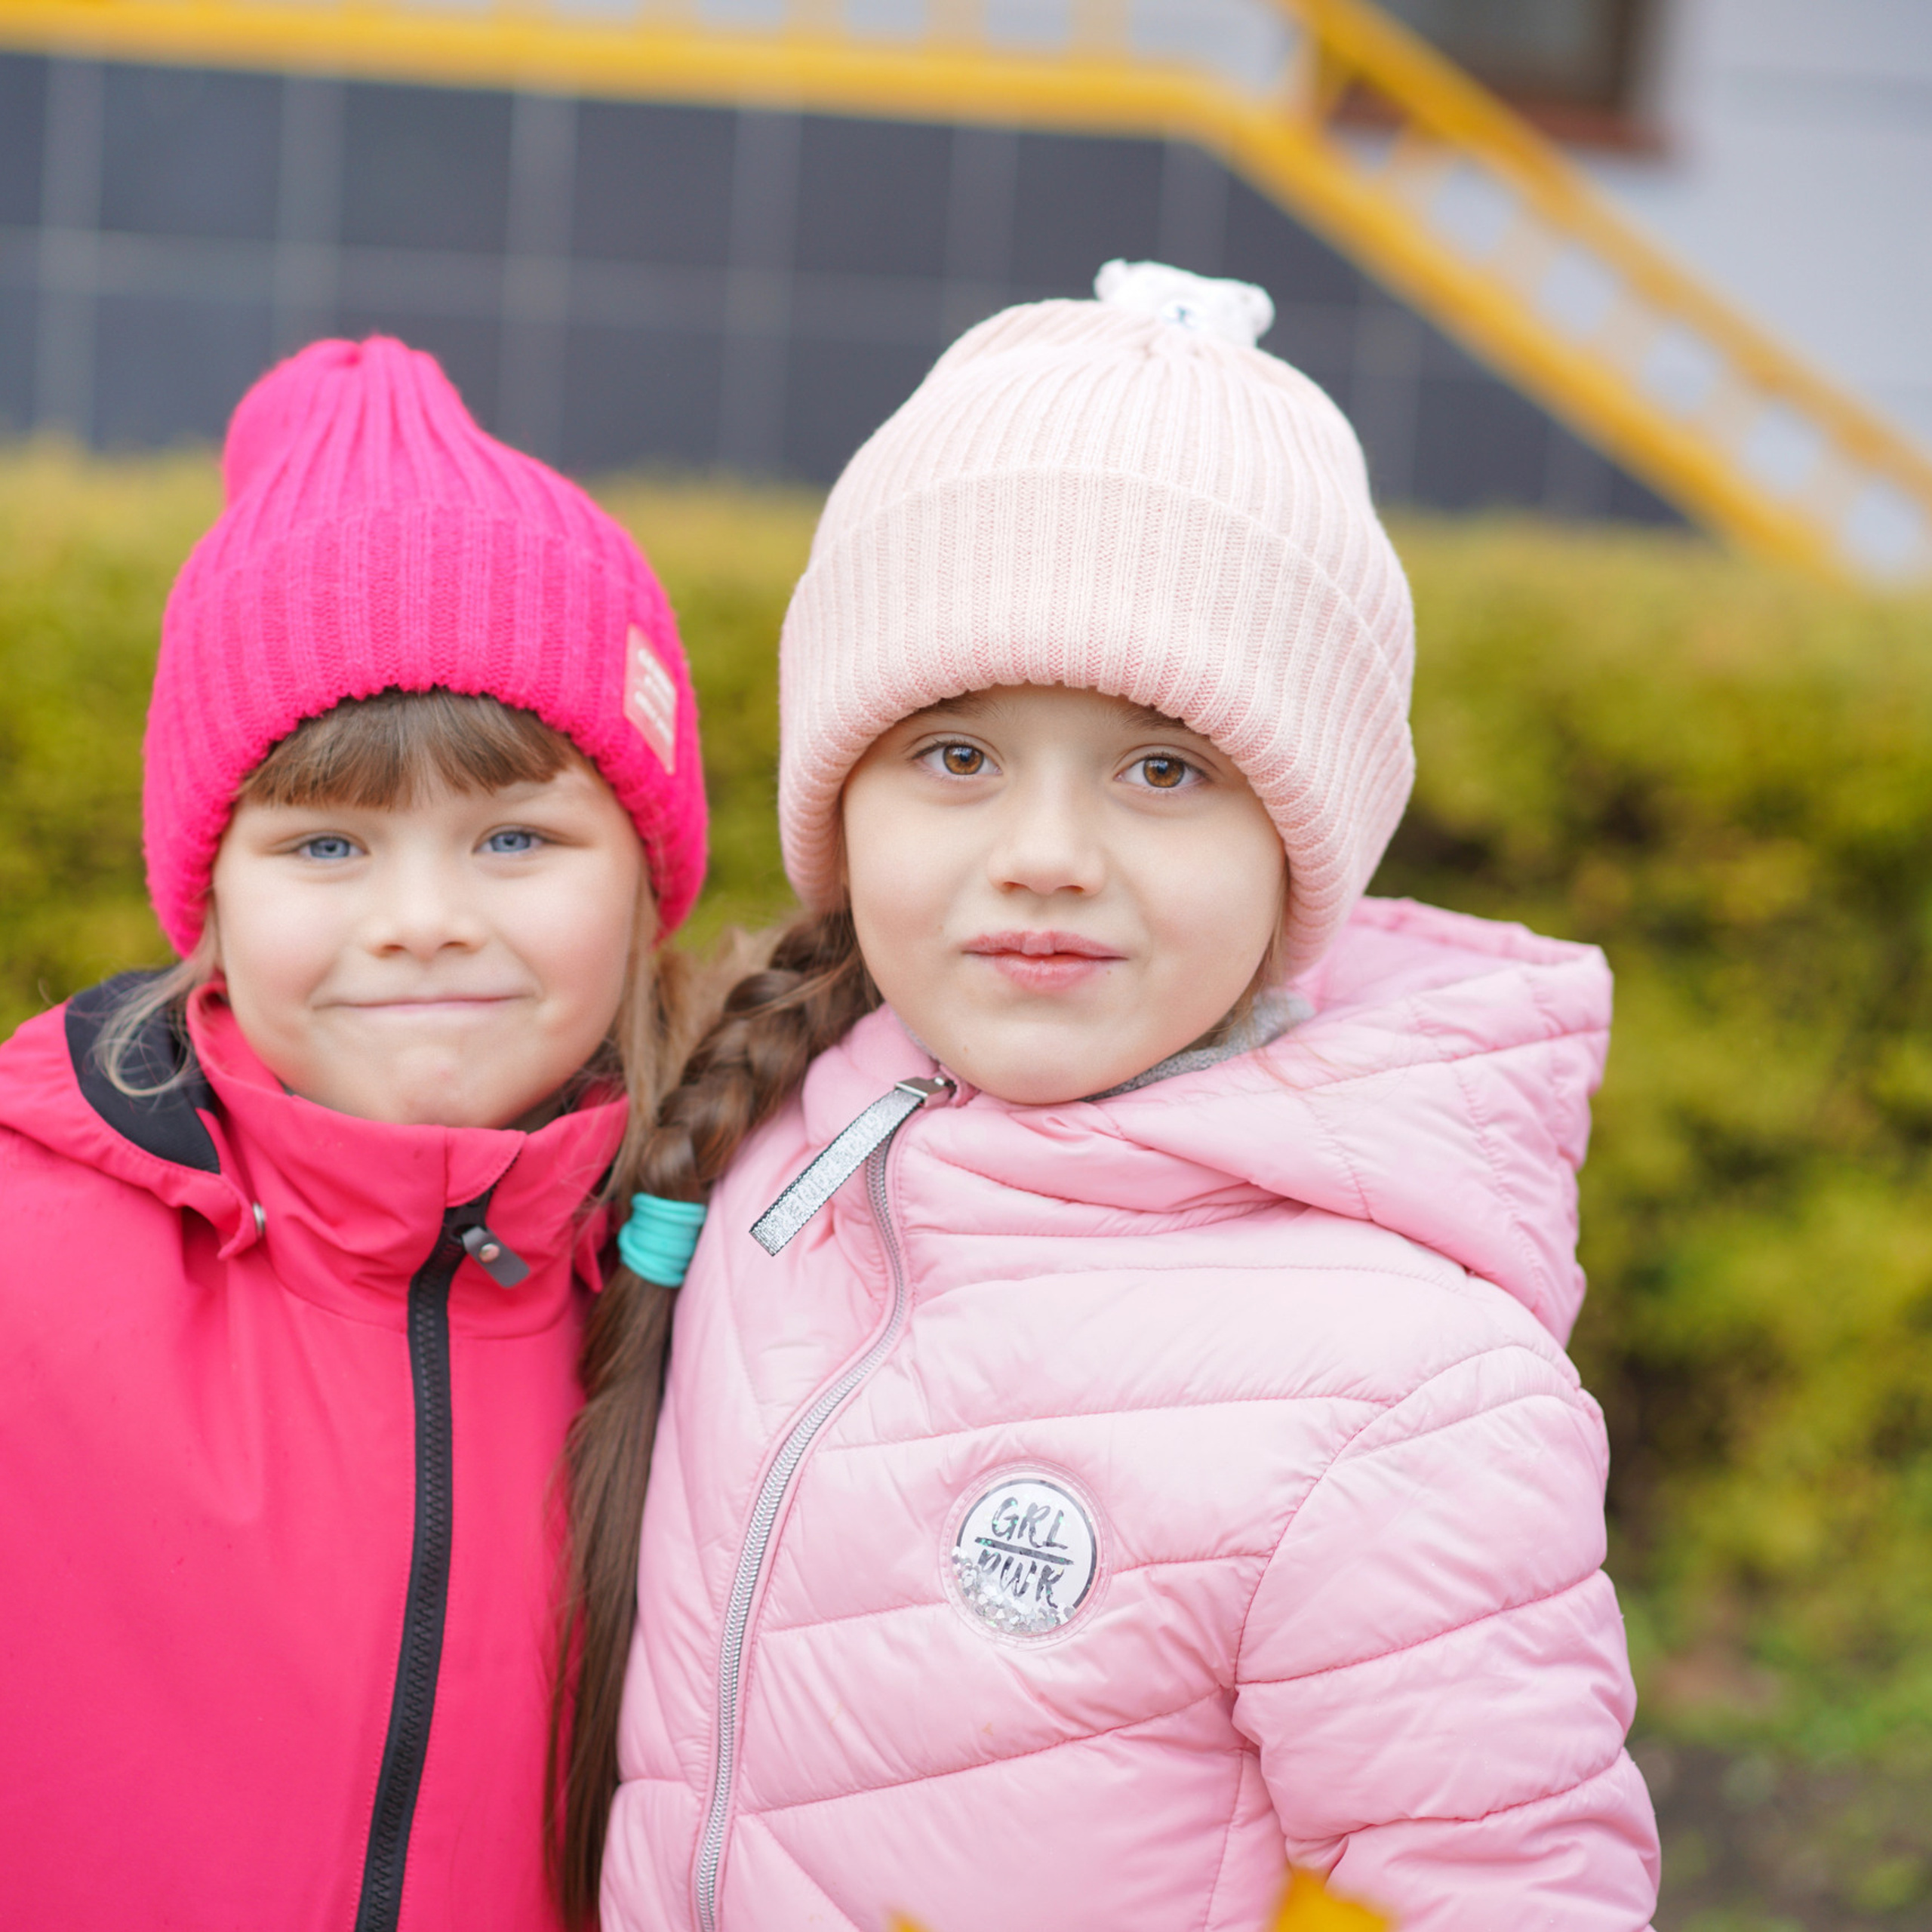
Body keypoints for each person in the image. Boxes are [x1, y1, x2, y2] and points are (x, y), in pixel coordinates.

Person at [558, 263, 1662, 1932]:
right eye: (955, 753)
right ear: (837, 797)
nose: (1047, 855)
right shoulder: (776, 1143)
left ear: (1300, 852)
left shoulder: (1401, 1390)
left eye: (1163, 768)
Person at [0, 337, 709, 1932]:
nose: (419, 920)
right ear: (213, 892)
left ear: (645, 869)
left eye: (516, 833)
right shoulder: (24, 1258)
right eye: (324, 840)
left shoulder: (752, 1274)